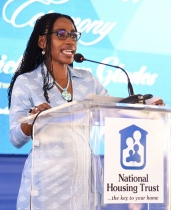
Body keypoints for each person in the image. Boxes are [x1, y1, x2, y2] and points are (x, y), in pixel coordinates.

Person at [7, 13, 109, 209]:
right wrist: (33, 118)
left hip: (84, 184)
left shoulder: (87, 80)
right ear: (42, 41)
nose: (70, 40)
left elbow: (113, 110)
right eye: (61, 34)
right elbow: (16, 139)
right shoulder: (28, 82)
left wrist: (147, 106)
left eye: (73, 35)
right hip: (46, 188)